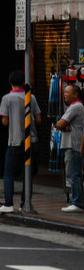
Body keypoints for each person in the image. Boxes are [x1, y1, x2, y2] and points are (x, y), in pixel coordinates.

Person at [0, 69, 42, 213]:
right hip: (31, 140)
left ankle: (9, 203)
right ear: (24, 82)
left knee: (9, 173)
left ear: (10, 83)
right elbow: (39, 119)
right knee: (27, 174)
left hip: (14, 141)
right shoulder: (31, 97)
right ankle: (25, 203)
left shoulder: (6, 99)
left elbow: (4, 121)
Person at [55, 82, 84, 213]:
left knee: (74, 174)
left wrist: (63, 124)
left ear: (75, 94)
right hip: (75, 144)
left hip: (73, 145)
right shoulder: (77, 107)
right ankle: (77, 201)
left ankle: (77, 202)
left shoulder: (75, 107)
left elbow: (59, 124)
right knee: (75, 173)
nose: (64, 95)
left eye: (67, 92)